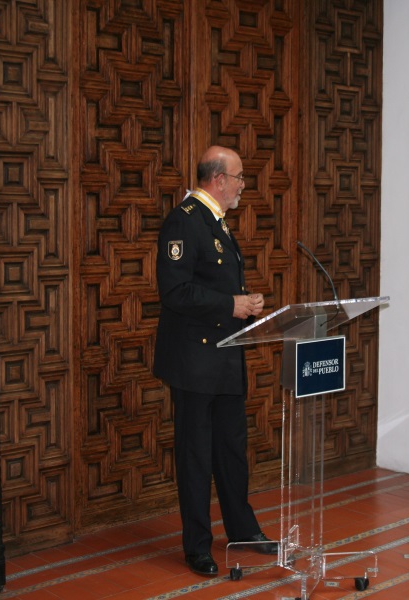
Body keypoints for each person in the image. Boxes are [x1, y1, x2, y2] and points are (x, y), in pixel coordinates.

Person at [154, 145, 277, 577]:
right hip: (193, 362)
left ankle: (242, 530)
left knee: (231, 451)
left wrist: (245, 303)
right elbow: (174, 291)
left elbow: (215, 283)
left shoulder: (217, 223)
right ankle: (197, 546)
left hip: (225, 358)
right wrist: (232, 303)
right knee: (195, 457)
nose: (244, 185)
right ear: (218, 180)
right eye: (240, 177)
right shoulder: (183, 221)